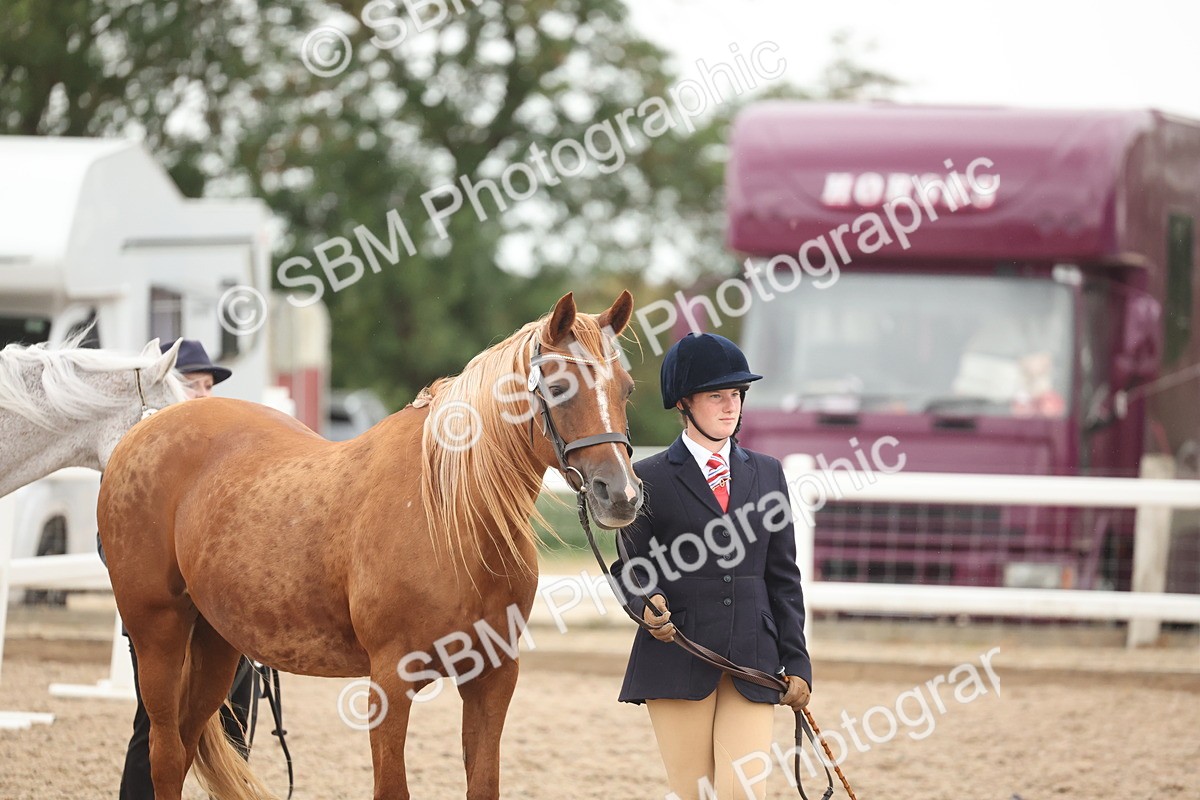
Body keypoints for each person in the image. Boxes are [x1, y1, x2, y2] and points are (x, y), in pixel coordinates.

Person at [613, 333, 812, 800]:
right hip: (677, 652)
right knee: (695, 793)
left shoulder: (768, 473)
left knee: (743, 792)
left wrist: (798, 659)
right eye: (716, 396)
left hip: (753, 655)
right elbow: (631, 566)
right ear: (684, 404)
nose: (730, 406)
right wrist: (646, 603)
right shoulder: (649, 477)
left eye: (737, 395)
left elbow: (783, 576)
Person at [98, 339, 254, 799]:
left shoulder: (228, 459)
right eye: (191, 384)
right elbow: (116, 547)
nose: (202, 395)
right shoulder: (140, 459)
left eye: (207, 385)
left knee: (236, 716)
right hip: (163, 615)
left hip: (222, 614)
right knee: (156, 722)